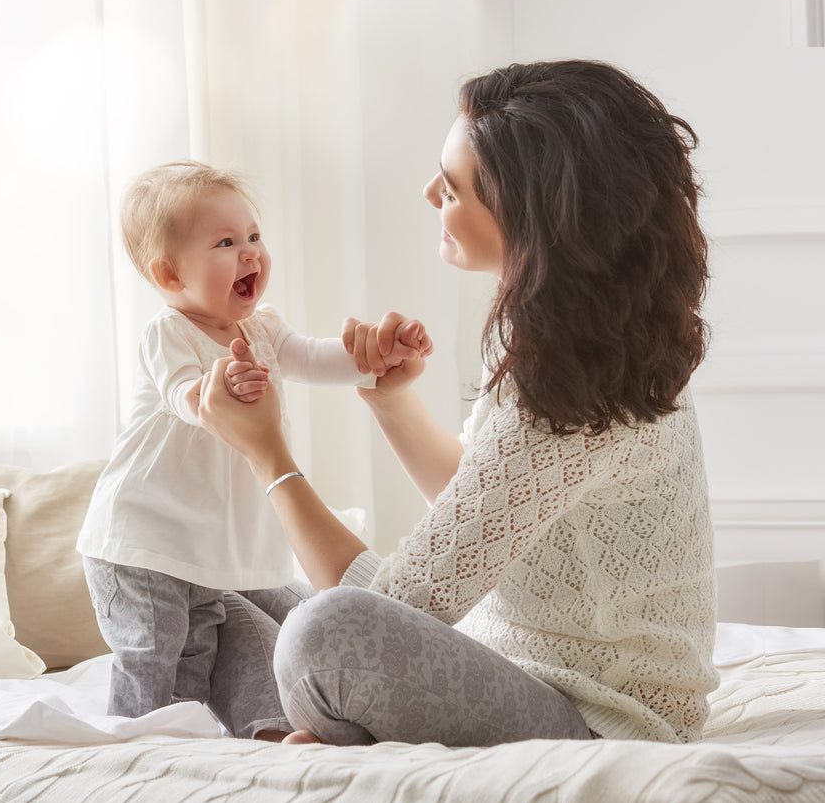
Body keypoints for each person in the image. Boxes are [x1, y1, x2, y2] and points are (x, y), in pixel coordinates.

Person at [196, 59, 719, 746]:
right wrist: (390, 402)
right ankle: (330, 724)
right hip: (532, 671)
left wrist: (266, 454)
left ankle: (330, 725)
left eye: (451, 187)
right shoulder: (585, 342)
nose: (427, 194)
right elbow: (488, 494)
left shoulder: (572, 388)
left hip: (602, 721)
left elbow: (396, 603)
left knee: (320, 631)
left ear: (529, 217)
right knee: (250, 602)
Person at [76, 161, 431, 741]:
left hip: (200, 550)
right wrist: (218, 391)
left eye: (254, 237)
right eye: (225, 242)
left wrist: (374, 354)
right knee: (152, 660)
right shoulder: (168, 333)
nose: (250, 254)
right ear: (169, 274)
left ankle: (192, 755)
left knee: (194, 662)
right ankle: (128, 755)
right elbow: (184, 396)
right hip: (139, 541)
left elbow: (315, 357)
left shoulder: (262, 330)